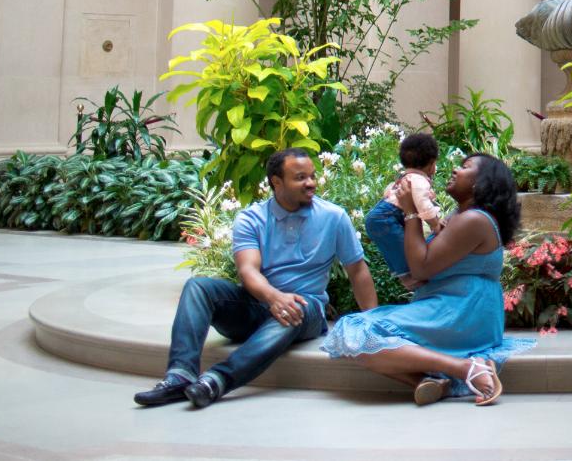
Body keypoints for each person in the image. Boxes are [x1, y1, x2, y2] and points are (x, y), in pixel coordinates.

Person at [135, 147, 376, 409]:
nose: (310, 183)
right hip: (257, 305)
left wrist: (373, 321)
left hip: (307, 308)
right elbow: (248, 270)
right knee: (198, 287)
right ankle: (180, 376)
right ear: (276, 182)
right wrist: (274, 298)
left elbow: (357, 270)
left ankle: (217, 381)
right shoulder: (252, 218)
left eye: (312, 176)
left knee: (292, 308)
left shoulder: (333, 217)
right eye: (300, 178)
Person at [322, 153, 532, 405]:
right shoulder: (458, 216)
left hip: (463, 312)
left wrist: (411, 212)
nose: (455, 170)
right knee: (356, 340)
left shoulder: (474, 220)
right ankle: (431, 381)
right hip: (450, 309)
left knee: (357, 331)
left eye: (465, 167)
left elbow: (420, 268)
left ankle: (464, 368)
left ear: (481, 183)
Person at [364, 132, 444, 286]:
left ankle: (405, 278)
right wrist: (435, 224)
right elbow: (423, 205)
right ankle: (412, 278)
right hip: (387, 217)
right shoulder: (419, 180)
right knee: (406, 250)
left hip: (379, 216)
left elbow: (388, 193)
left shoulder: (404, 177)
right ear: (431, 164)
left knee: (394, 250)